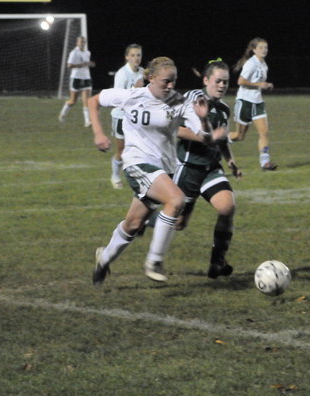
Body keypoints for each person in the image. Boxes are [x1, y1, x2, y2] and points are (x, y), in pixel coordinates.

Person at [89, 57, 226, 285]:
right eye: (166, 81)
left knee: (134, 223)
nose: (170, 86)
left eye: (174, 81)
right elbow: (94, 101)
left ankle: (104, 258)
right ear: (151, 78)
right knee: (176, 200)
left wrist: (203, 120)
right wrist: (98, 133)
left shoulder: (180, 102)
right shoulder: (132, 96)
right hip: (137, 163)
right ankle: (154, 261)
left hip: (163, 169)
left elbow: (204, 136)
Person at [174, 59, 242, 279]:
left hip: (211, 168)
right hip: (188, 168)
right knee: (177, 223)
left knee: (227, 207)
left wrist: (230, 161)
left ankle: (217, 262)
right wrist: (208, 137)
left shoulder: (223, 109)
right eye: (218, 81)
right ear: (205, 80)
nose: (222, 86)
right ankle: (142, 222)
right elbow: (176, 129)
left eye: (226, 82)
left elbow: (222, 140)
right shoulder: (194, 98)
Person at [229, 37, 277, 170]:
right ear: (254, 50)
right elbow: (240, 81)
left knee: (264, 133)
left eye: (266, 47)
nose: (264, 50)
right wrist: (259, 84)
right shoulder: (251, 63)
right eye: (261, 48)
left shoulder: (264, 65)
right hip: (245, 101)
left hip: (258, 102)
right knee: (239, 136)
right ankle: (217, 140)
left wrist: (265, 85)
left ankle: (265, 163)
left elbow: (258, 83)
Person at [109, 43, 144, 189]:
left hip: (136, 117)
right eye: (133, 55)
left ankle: (139, 177)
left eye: (138, 55)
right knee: (121, 151)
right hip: (121, 117)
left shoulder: (142, 72)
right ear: (127, 57)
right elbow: (117, 98)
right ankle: (115, 176)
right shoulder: (122, 74)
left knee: (139, 148)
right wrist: (134, 89)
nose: (136, 58)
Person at [58, 36, 95, 127]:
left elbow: (86, 64)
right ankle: (63, 113)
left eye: (84, 42)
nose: (82, 43)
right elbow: (69, 65)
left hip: (86, 78)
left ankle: (87, 121)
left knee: (86, 101)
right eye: (81, 42)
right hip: (76, 78)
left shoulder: (87, 52)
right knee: (73, 101)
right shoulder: (74, 52)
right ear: (77, 43)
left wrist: (90, 64)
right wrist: (82, 64)